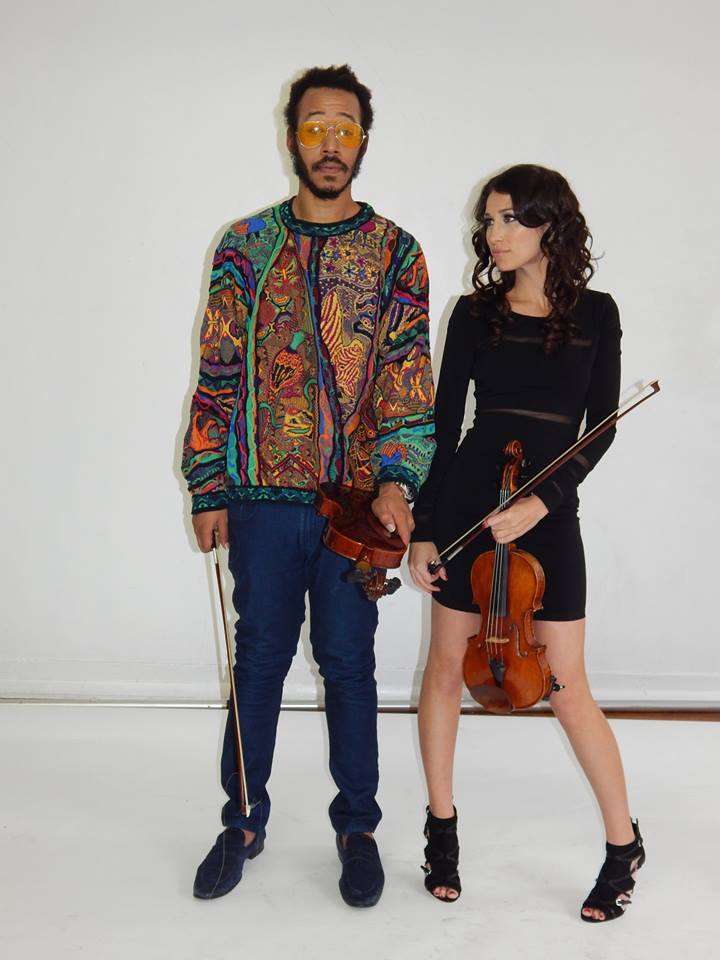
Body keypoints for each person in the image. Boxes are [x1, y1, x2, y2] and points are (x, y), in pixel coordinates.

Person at [181, 64, 434, 907]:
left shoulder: (397, 252)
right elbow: (219, 370)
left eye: (345, 127)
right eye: (316, 125)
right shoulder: (244, 244)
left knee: (349, 662)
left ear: (363, 140)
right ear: (293, 136)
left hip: (352, 508)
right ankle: (242, 820)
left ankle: (357, 828)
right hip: (257, 495)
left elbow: (407, 379)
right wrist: (206, 484)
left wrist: (397, 481)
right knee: (258, 657)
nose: (331, 142)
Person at [408, 164, 645, 921]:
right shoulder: (474, 314)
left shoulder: (598, 314)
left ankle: (623, 845)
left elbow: (598, 430)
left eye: (509, 218)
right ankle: (441, 827)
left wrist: (543, 500)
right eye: (488, 220)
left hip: (547, 510)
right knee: (446, 668)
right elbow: (443, 428)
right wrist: (425, 528)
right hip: (467, 505)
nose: (494, 233)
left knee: (566, 686)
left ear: (550, 224)